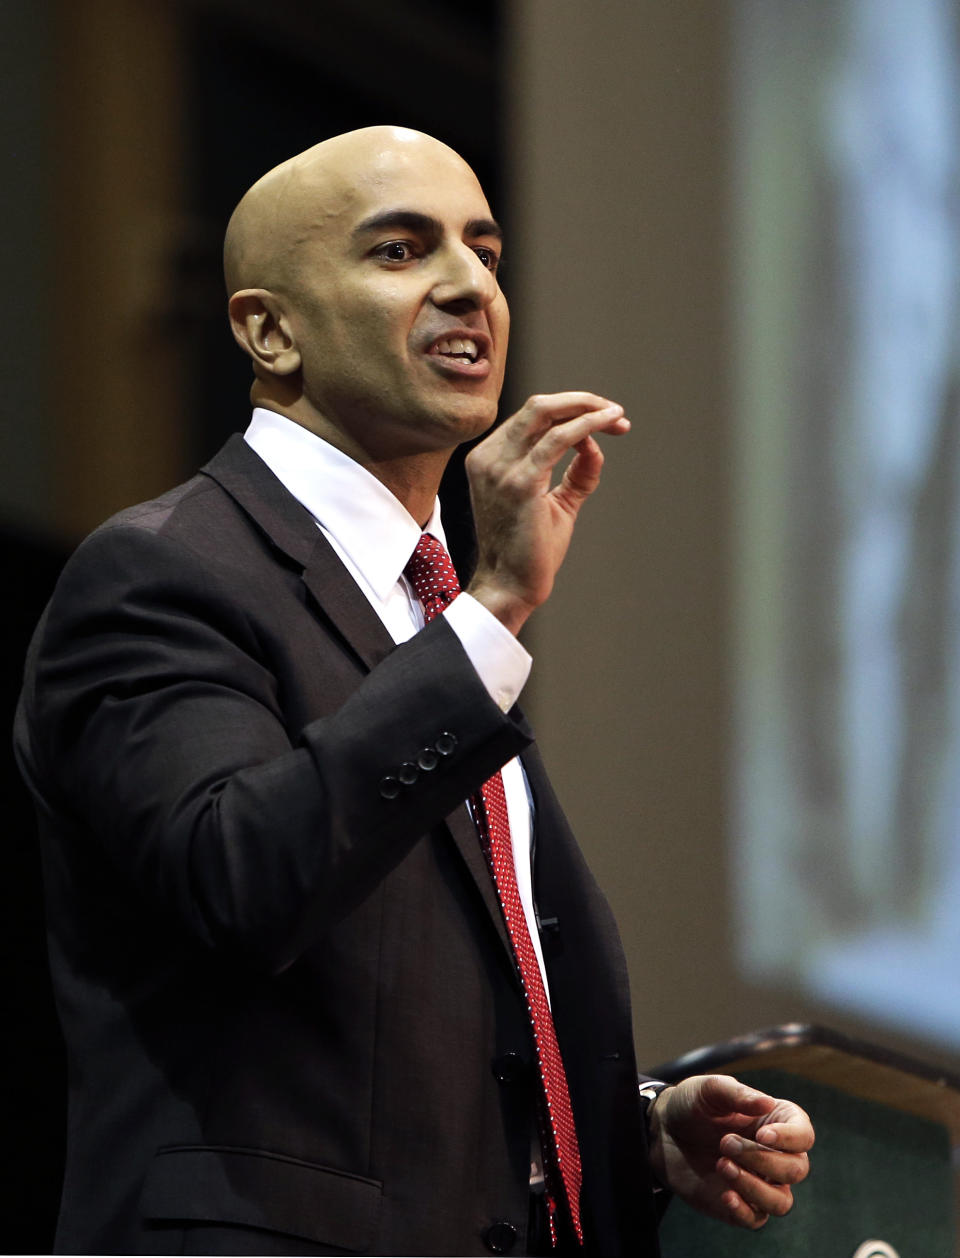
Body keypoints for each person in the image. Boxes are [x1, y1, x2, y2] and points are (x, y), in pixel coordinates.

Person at [15, 126, 813, 1256]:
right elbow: (242, 879)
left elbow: (421, 1010)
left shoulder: (432, 610)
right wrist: (491, 612)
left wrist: (627, 1129)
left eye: (485, 250)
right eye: (399, 250)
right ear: (268, 329)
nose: (468, 286)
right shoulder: (162, 571)